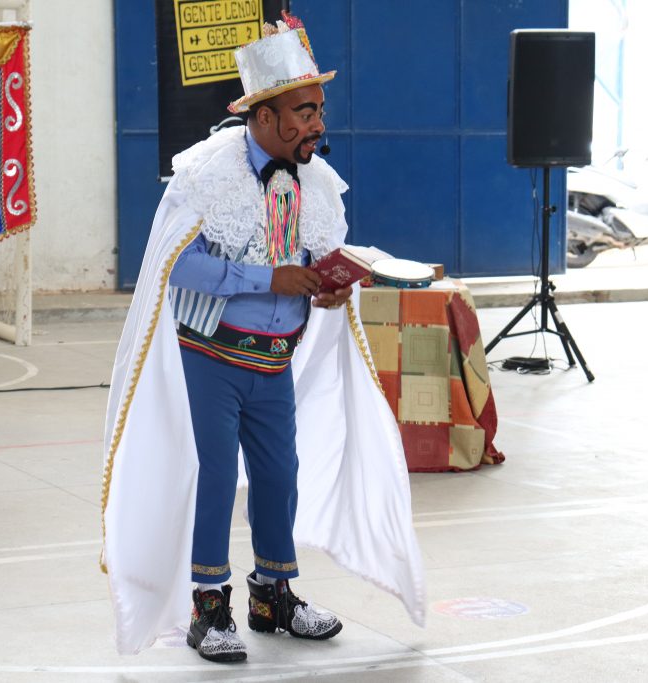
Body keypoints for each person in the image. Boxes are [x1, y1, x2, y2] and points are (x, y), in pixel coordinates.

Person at [100, 13, 425, 662]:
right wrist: (266, 277)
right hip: (211, 356)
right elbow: (173, 265)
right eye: (303, 112)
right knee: (217, 476)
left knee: (280, 476)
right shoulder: (206, 173)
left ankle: (272, 594)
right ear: (264, 116)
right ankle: (208, 607)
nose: (316, 125)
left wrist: (333, 287)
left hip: (275, 359)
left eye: (319, 111)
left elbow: (322, 253)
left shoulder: (317, 182)